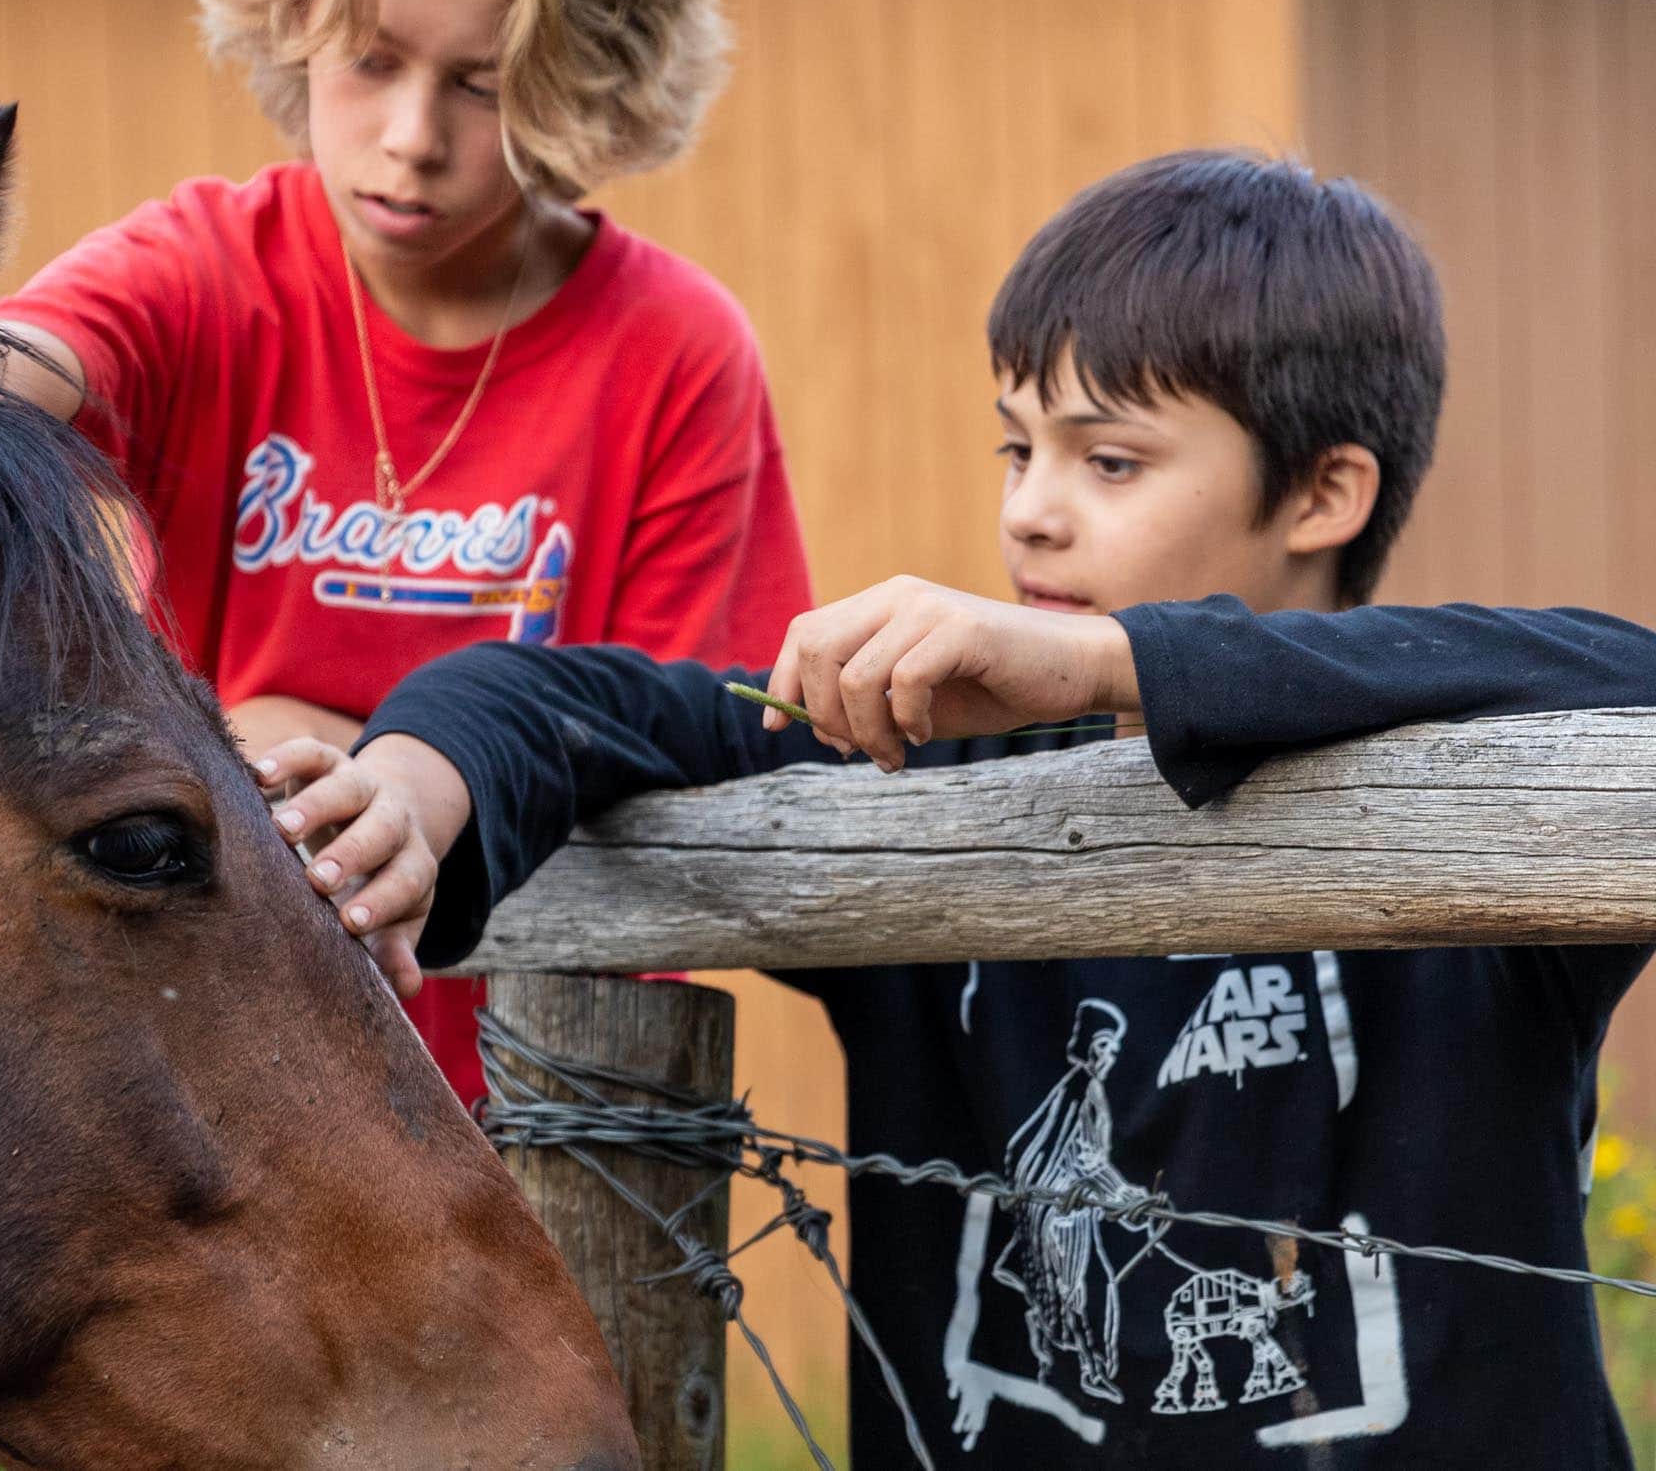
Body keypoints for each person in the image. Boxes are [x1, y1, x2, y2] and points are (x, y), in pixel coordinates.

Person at [258, 150, 1656, 1465]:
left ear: (1325, 492)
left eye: (1108, 462)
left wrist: (1119, 663)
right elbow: (586, 703)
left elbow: (1631, 682)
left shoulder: (1480, 778)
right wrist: (409, 785)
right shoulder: (928, 772)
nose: (1033, 516)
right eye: (1016, 451)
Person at [0, 0, 811, 1101]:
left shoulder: (674, 355)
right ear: (293, 16)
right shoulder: (209, 268)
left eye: (482, 85)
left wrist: (346, 746)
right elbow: (0, 383)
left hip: (545, 1118)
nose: (410, 139)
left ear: (587, 73)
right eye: (370, 62)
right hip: (209, 1093)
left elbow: (709, 760)